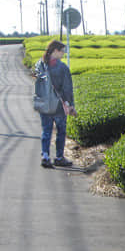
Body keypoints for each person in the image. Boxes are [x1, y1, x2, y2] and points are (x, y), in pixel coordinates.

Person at [34, 39, 76, 168]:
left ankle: (45, 156)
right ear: (56, 51)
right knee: (61, 131)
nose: (63, 54)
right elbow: (67, 89)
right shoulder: (62, 68)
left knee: (46, 131)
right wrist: (70, 105)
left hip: (44, 104)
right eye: (62, 51)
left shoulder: (39, 65)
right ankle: (59, 157)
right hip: (58, 105)